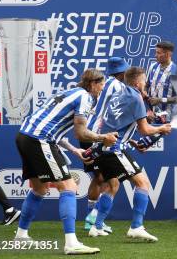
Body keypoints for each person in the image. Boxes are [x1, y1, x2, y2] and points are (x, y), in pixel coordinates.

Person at [14, 69, 118, 255]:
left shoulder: (68, 92)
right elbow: (81, 132)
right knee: (69, 187)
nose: (102, 89)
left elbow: (52, 125)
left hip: (24, 136)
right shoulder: (85, 96)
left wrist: (74, 150)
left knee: (39, 188)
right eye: (101, 85)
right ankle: (71, 243)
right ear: (93, 83)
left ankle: (21, 235)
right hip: (40, 140)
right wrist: (104, 138)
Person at [88, 67, 172, 240]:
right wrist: (162, 128)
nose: (146, 84)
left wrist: (129, 140)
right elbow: (145, 129)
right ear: (136, 82)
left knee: (112, 186)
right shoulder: (136, 97)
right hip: (113, 149)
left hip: (103, 147)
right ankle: (136, 226)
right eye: (144, 81)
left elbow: (117, 121)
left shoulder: (119, 94)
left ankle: (96, 227)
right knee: (143, 184)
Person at [83, 56, 130, 232]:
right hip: (99, 134)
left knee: (100, 178)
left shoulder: (106, 83)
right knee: (110, 182)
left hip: (89, 131)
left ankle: (91, 221)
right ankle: (94, 221)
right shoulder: (117, 85)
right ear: (122, 72)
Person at [146, 41, 177, 118]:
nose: (155, 55)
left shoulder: (175, 72)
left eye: (158, 53)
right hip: (152, 116)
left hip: (167, 118)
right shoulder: (153, 66)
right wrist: (147, 110)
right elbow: (146, 86)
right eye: (156, 52)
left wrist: (160, 100)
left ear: (167, 54)